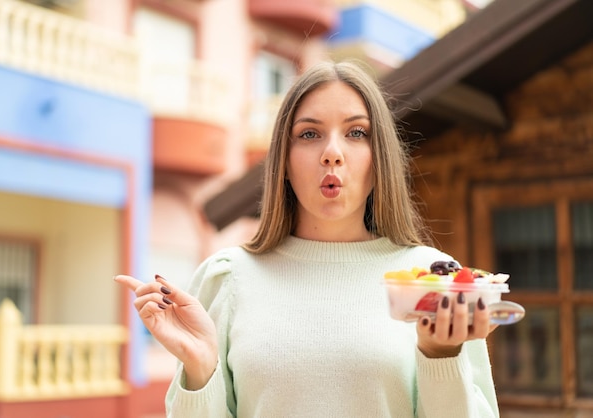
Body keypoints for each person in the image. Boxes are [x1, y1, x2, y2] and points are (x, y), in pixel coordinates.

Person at [115, 60, 500, 417]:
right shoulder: (227, 279)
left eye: (356, 133)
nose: (332, 153)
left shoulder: (433, 281)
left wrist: (441, 356)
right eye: (310, 133)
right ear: (283, 158)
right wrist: (200, 373)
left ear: (378, 155)